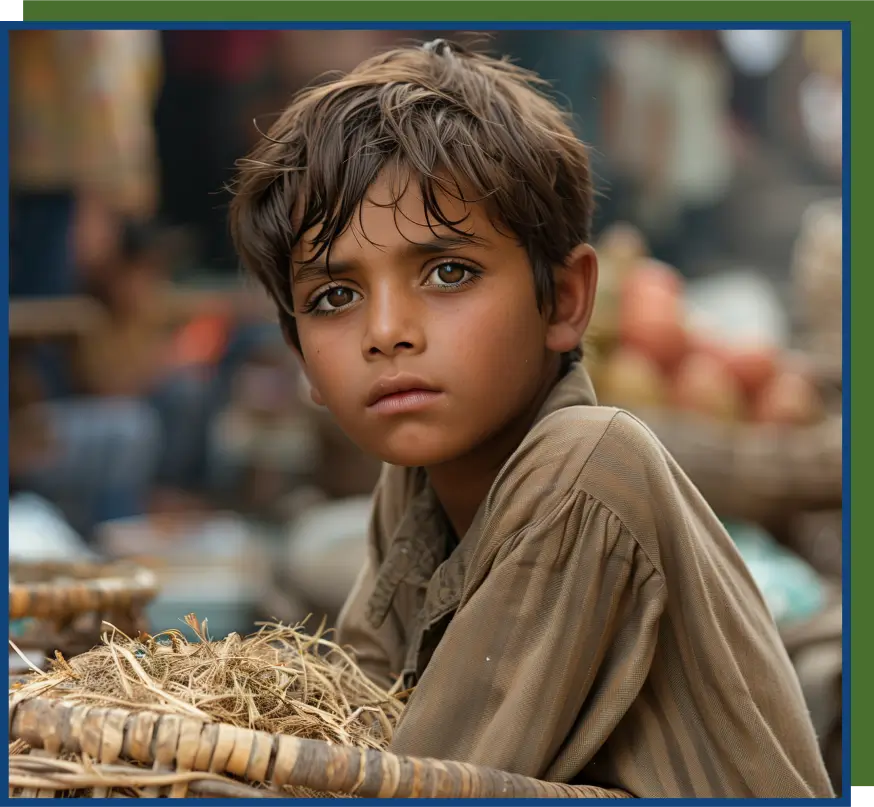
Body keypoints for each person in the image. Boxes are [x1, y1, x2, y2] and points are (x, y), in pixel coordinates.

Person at [228, 40, 834, 797]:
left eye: (449, 272)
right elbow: (360, 711)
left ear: (567, 301)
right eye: (334, 297)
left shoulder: (587, 468)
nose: (385, 331)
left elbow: (415, 782)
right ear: (301, 354)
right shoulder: (416, 482)